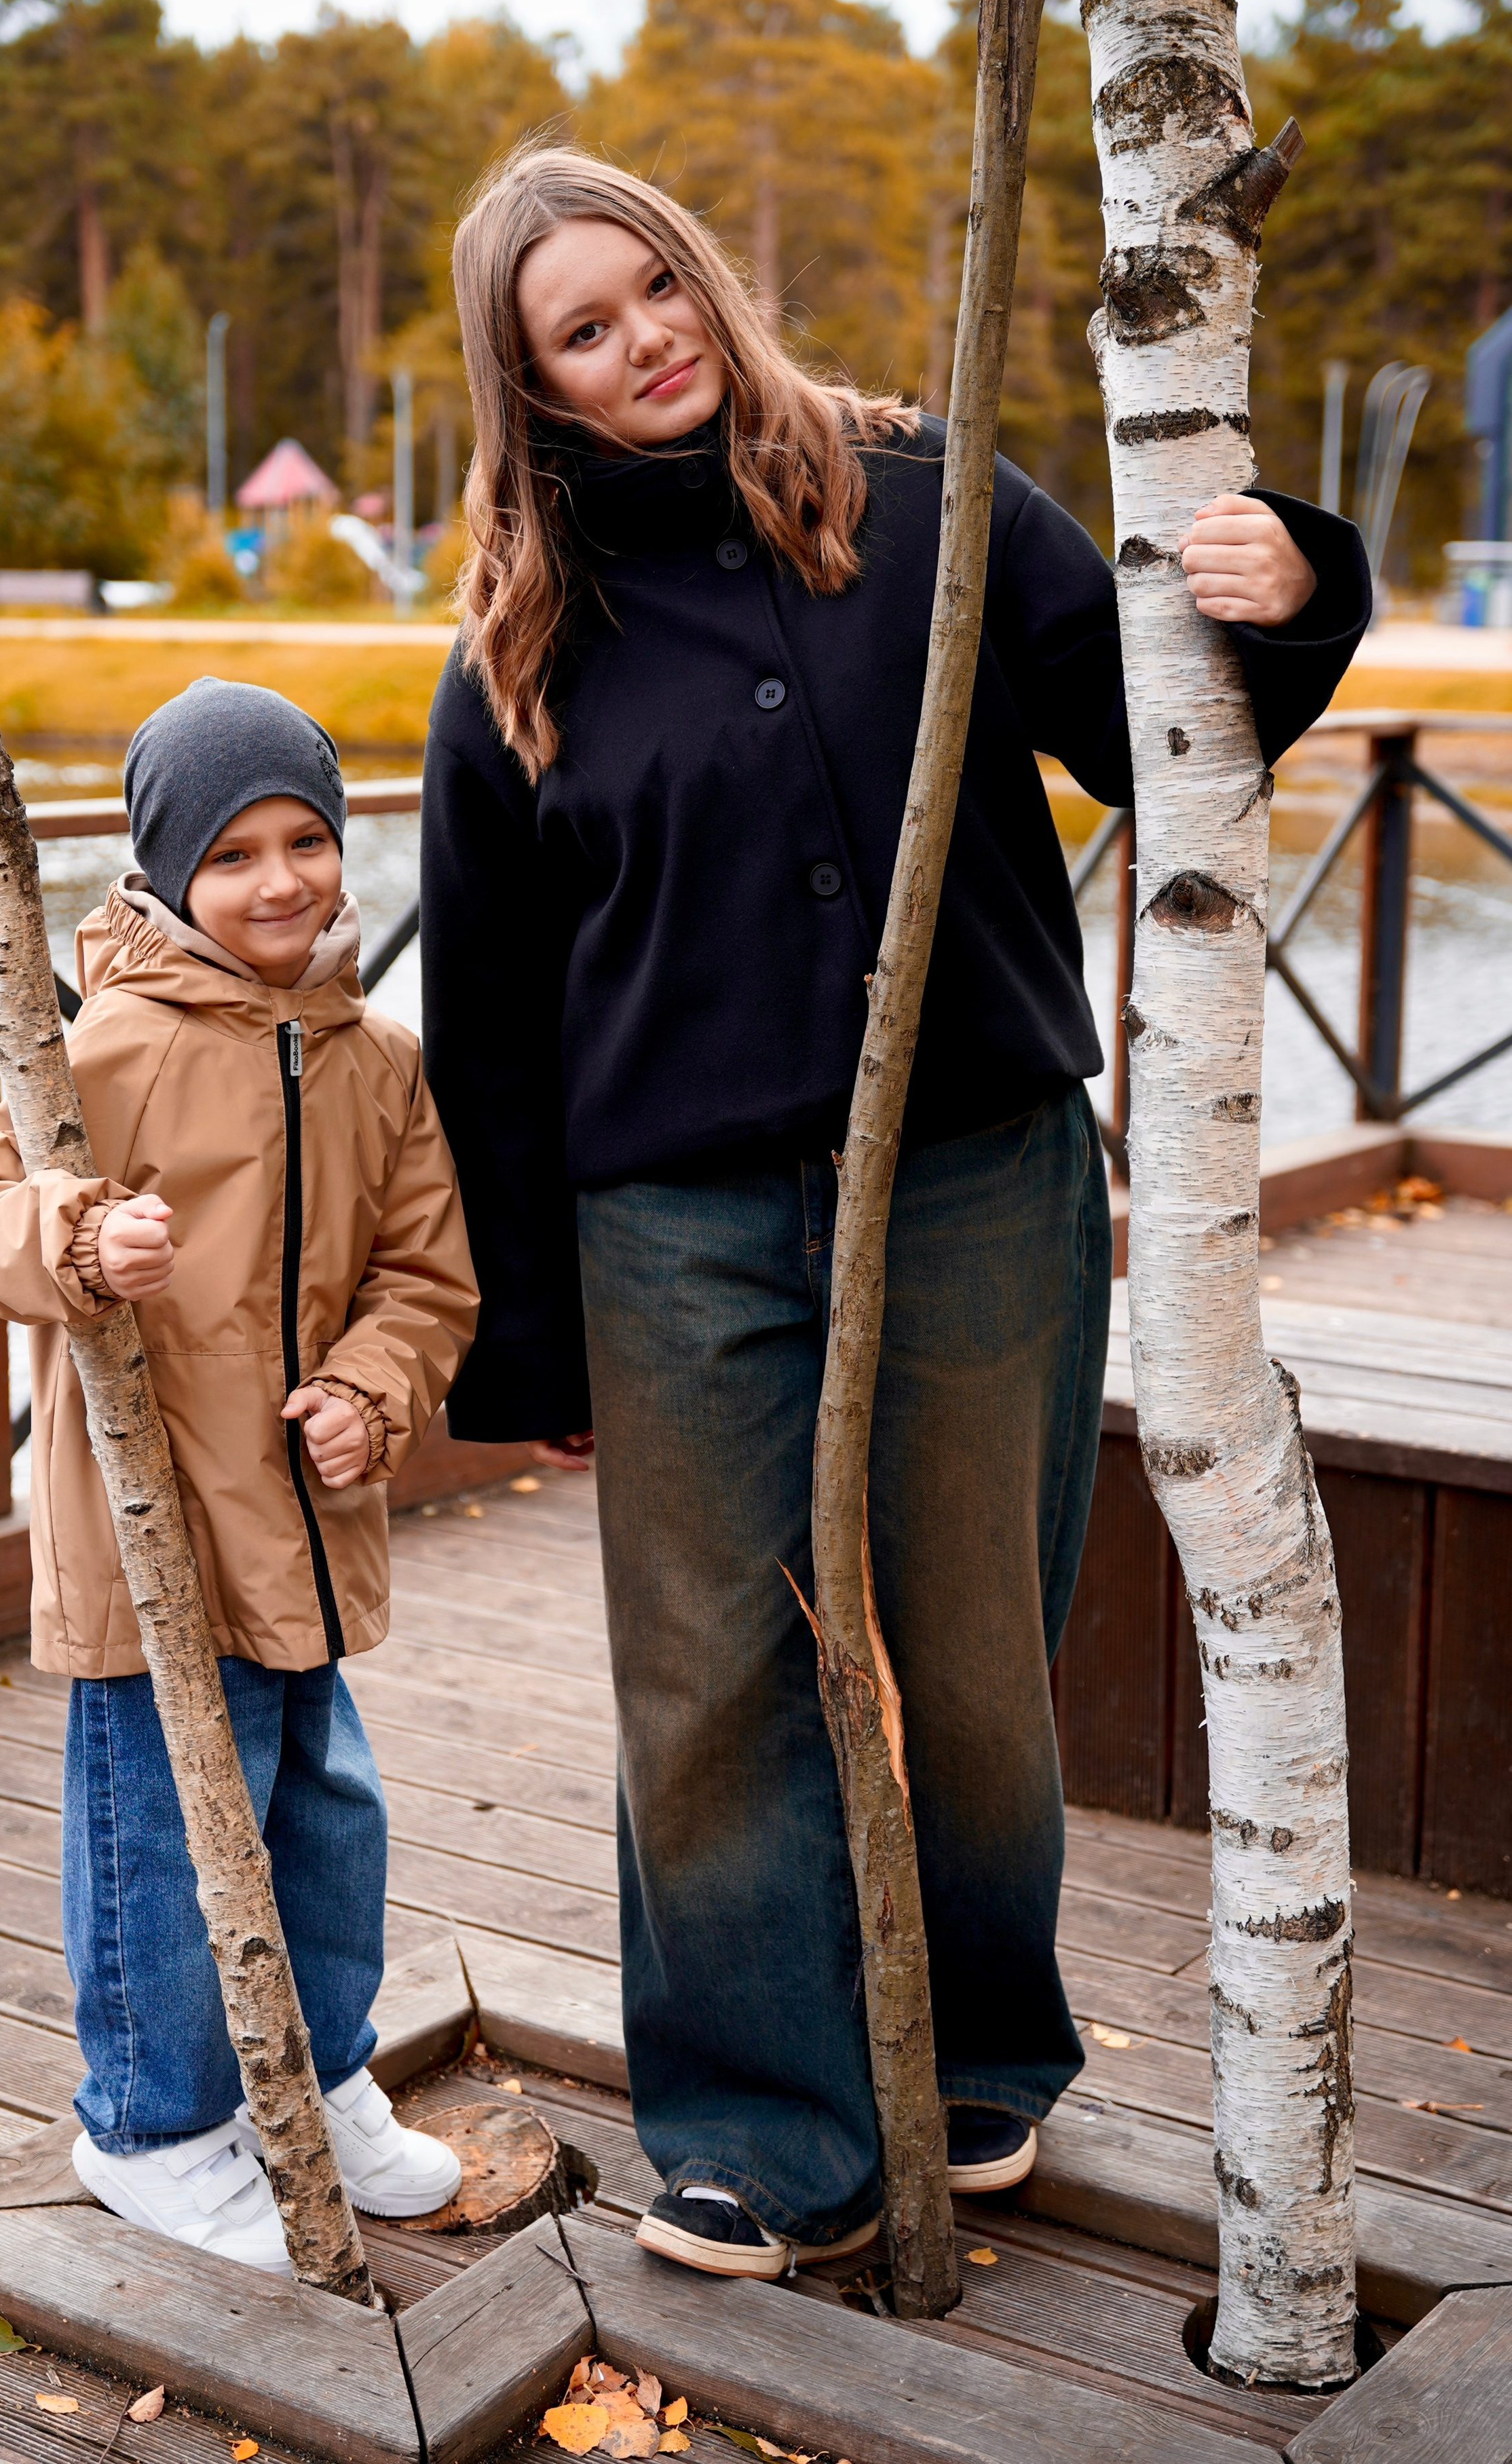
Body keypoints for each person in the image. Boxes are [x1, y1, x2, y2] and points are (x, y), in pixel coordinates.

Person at [419, 147, 1374, 2281]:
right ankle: (765, 2128)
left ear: (706, 275)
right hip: (675, 1230)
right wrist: (530, 1334)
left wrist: (1292, 582)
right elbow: (488, 1026)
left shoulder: (927, 496)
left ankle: (975, 2058)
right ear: (532, 386)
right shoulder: (518, 648)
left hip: (973, 1179)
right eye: (583, 331)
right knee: (710, 1674)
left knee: (974, 1646)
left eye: (656, 288)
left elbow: (1154, 733)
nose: (646, 341)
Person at [0, 679, 480, 2271]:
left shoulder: (379, 1055)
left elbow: (423, 1279)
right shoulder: (103, 1045)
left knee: (328, 1815)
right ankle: (153, 2129)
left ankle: (322, 2071)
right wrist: (80, 1238)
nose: (279, 880)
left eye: (306, 839)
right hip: (155, 1540)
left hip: (307, 1524)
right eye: (232, 854)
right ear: (168, 873)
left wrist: (370, 1393)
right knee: (160, 1835)